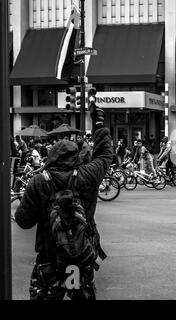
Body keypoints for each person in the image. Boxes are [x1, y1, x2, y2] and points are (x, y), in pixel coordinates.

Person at [14, 104, 112, 300]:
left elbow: (23, 221)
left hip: (50, 257)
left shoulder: (38, 181)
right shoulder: (88, 175)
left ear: (51, 157)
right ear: (76, 157)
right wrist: (99, 123)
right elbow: (104, 155)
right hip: (81, 255)